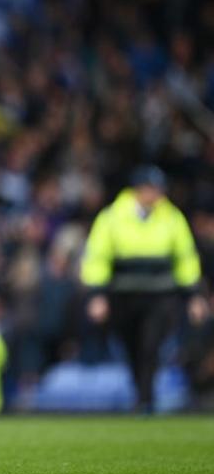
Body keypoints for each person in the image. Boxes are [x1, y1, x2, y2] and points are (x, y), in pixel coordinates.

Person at [81, 165, 209, 412]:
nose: (155, 194)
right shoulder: (112, 217)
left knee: (150, 345)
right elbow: (97, 256)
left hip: (160, 296)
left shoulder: (172, 217)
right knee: (130, 346)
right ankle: (141, 393)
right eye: (151, 188)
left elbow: (185, 258)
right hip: (124, 296)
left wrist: (193, 295)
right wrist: (97, 294)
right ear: (137, 190)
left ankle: (145, 400)